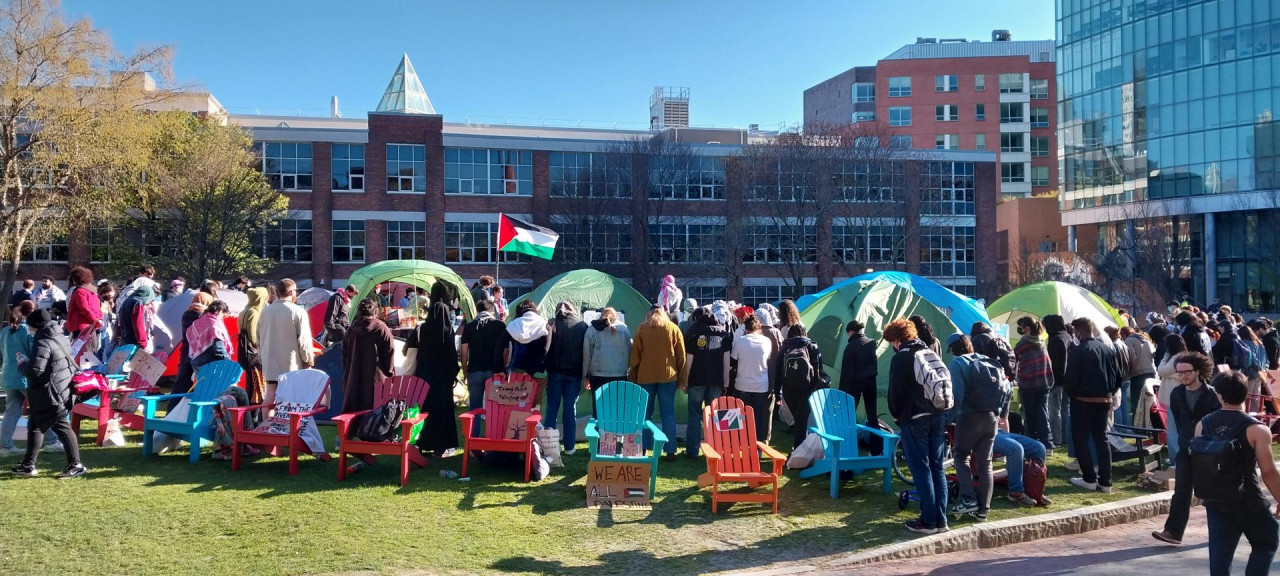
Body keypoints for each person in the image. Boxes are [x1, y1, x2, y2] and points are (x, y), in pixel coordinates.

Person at [1196, 370, 1280, 575]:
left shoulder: (1202, 425)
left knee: (1219, 555)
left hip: (1216, 499)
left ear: (1219, 395)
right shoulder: (1257, 429)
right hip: (1248, 499)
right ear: (1246, 394)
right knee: (1266, 542)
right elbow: (1268, 471)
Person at [886, 317, 950, 535]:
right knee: (937, 468)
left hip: (914, 418)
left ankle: (928, 521)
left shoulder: (902, 358)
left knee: (921, 469)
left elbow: (895, 393)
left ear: (896, 339)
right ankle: (941, 520)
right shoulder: (928, 352)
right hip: (938, 414)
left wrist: (897, 415)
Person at [1152, 352, 1221, 546]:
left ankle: (1220, 532)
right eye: (1179, 373)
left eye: (1187, 372)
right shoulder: (1177, 393)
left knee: (1211, 493)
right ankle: (1172, 532)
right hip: (1185, 449)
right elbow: (1180, 421)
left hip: (1208, 451)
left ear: (1198, 371)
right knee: (1181, 491)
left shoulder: (1212, 394)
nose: (1183, 376)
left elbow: (1217, 423)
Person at [9, 310, 85, 478]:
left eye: (29, 325)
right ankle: (28, 465)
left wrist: (22, 363)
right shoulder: (59, 336)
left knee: (61, 426)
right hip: (58, 388)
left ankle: (76, 464)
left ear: (35, 325)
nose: (28, 328)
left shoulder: (42, 341)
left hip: (49, 392)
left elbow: (35, 371)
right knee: (35, 425)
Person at [1064, 317, 1123, 493]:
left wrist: (1073, 394)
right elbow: (1118, 376)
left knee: (1081, 439)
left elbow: (1071, 380)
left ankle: (1089, 478)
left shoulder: (1077, 351)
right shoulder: (1108, 349)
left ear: (1079, 332)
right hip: (1104, 400)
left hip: (1083, 400)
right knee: (1101, 439)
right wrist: (1109, 392)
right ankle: (1106, 481)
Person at [946, 334, 1001, 522]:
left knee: (961, 457)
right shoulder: (986, 360)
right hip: (992, 416)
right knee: (985, 462)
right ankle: (983, 509)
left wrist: (946, 418)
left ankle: (969, 500)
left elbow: (957, 396)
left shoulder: (957, 364)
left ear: (952, 349)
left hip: (969, 416)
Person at [407, 283, 460, 458]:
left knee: (423, 409)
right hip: (442, 378)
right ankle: (441, 445)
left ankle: (421, 443)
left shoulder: (421, 329)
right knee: (442, 411)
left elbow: (408, 348)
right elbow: (452, 355)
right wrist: (453, 374)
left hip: (424, 375)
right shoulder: (447, 330)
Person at [629, 305, 685, 461]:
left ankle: (644, 448)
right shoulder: (673, 328)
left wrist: (633, 376)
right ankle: (670, 450)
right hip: (668, 377)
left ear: (649, 314)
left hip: (645, 377)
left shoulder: (642, 329)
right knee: (668, 413)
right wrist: (682, 379)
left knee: (645, 414)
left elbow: (635, 357)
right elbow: (681, 357)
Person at [0, 301, 54, 455]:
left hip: (8, 376)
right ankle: (52, 441)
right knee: (42, 408)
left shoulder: (5, 331)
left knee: (11, 411)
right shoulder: (28, 331)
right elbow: (35, 353)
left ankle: (5, 445)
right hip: (25, 377)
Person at [682, 306, 731, 456]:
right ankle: (714, 449)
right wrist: (726, 382)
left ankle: (692, 450)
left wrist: (684, 380)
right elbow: (726, 360)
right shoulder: (723, 332)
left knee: (694, 415)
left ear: (696, 318)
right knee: (715, 416)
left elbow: (689, 359)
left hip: (696, 379)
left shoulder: (693, 332)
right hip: (716, 380)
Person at [340, 298, 393, 435]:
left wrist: (348, 371)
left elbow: (344, 354)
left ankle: (349, 435)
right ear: (375, 311)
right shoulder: (381, 328)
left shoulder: (351, 329)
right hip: (375, 377)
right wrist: (389, 373)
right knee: (373, 409)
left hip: (353, 376)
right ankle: (373, 433)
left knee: (353, 407)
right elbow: (389, 354)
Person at [257, 279, 315, 405]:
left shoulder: (265, 311)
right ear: (291, 292)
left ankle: (267, 424)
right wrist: (308, 361)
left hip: (269, 360)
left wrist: (261, 358)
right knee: (291, 398)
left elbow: (259, 338)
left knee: (270, 394)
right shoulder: (298, 312)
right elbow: (304, 341)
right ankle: (289, 424)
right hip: (290, 363)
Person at [459, 300, 510, 436]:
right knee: (494, 408)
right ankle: (493, 440)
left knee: (474, 408)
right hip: (494, 371)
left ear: (477, 311)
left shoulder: (469, 327)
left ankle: (473, 442)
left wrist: (464, 373)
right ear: (492, 311)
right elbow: (506, 351)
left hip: (474, 370)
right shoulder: (499, 326)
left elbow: (464, 354)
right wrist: (504, 369)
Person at [545, 301, 588, 453]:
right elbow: (586, 351)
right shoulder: (582, 326)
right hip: (574, 374)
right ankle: (569, 447)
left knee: (552, 409)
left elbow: (546, 349)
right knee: (570, 409)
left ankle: (548, 445)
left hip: (555, 372)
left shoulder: (552, 324)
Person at [776, 325, 826, 449]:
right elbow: (819, 370)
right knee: (802, 421)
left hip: (789, 390)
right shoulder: (812, 346)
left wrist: (777, 392)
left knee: (799, 421)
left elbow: (777, 372)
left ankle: (799, 450)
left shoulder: (785, 347)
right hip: (807, 389)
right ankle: (800, 451)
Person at [582, 307, 631, 418]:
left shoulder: (592, 329)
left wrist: (585, 376)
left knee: (598, 410)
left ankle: (599, 434)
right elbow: (629, 351)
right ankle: (616, 434)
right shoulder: (624, 329)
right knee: (617, 410)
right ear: (616, 316)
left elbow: (586, 354)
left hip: (597, 375)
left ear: (601, 316)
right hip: (620, 374)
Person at [732, 315, 774, 442]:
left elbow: (734, 360)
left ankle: (742, 441)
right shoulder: (767, 341)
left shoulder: (740, 341)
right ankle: (758, 443)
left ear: (746, 327)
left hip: (742, 384)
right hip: (761, 384)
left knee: (741, 415)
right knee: (759, 416)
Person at [170, 292, 213, 411]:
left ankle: (172, 410)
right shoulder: (202, 315)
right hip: (198, 353)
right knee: (199, 384)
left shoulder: (186, 313)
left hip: (185, 351)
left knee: (181, 383)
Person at [1014, 317, 1053, 448]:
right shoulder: (1042, 341)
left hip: (1029, 383)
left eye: (1022, 327)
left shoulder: (1023, 344)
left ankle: (1031, 442)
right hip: (1045, 381)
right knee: (1043, 412)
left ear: (1027, 328)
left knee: (1029, 415)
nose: (1021, 330)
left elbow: (1014, 359)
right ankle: (1047, 442)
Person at [993, 426, 1052, 506]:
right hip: (982, 434)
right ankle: (1016, 492)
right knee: (1015, 449)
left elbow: (1003, 420)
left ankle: (1034, 491)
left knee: (1039, 447)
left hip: (999, 432)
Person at [839, 319, 879, 425]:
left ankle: (847, 437)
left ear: (851, 331)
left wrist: (842, 392)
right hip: (871, 381)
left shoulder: (850, 347)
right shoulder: (871, 343)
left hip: (855, 383)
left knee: (849, 413)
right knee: (872, 413)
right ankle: (876, 439)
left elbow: (846, 373)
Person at [1156, 333, 1189, 457]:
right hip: (1178, 394)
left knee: (1173, 429)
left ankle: (1175, 457)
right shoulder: (1184, 355)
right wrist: (1175, 374)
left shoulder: (1175, 357)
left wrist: (1165, 356)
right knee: (1178, 427)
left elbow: (1161, 370)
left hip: (1174, 396)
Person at [1044, 314, 1073, 455]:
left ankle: (1057, 438)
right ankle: (1066, 437)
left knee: (1055, 410)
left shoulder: (1055, 340)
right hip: (1068, 379)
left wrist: (1051, 380)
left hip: (1057, 380)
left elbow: (1053, 364)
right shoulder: (1068, 337)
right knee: (1065, 409)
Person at [238, 287, 269, 404]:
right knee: (257, 386)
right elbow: (252, 335)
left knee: (250, 384)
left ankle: (250, 414)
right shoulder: (254, 313)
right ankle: (253, 415)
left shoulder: (244, 311)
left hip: (244, 352)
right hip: (254, 355)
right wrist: (261, 346)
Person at [64, 266, 102, 358]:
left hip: (81, 326)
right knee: (92, 350)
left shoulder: (80, 291)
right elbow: (98, 307)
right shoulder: (93, 291)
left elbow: (84, 308)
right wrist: (99, 320)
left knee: (82, 353)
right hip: (93, 325)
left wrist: (95, 321)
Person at [1122, 327, 1157, 426]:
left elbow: (1131, 357)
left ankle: (1137, 424)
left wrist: (1127, 371)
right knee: (1149, 401)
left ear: (1124, 334)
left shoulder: (1129, 341)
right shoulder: (1145, 339)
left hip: (1138, 374)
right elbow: (1153, 354)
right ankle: (1150, 424)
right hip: (1151, 372)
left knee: (1137, 401)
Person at [507, 299, 549, 375]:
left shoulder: (513, 325)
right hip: (536, 371)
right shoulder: (544, 324)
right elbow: (545, 349)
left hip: (515, 370)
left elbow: (503, 348)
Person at [187, 300, 233, 369]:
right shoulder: (214, 324)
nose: (222, 319)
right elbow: (218, 347)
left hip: (195, 361)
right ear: (220, 311)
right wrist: (228, 362)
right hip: (210, 364)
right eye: (223, 316)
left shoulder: (197, 322)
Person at [1104, 326, 1134, 427]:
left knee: (1116, 404)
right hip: (1126, 376)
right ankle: (1125, 425)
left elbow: (1114, 364)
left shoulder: (1114, 346)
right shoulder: (1123, 344)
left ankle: (1119, 426)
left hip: (1119, 378)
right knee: (1123, 403)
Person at [116, 284, 158, 354]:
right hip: (134, 342)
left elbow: (121, 322)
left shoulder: (127, 301)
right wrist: (143, 343)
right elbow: (138, 325)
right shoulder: (138, 303)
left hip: (125, 339)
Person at [1238, 325, 1268, 399]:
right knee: (1256, 396)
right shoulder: (1260, 343)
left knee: (1248, 396)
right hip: (1261, 373)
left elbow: (1253, 359)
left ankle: (1249, 411)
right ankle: (1256, 410)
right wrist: (1263, 370)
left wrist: (1258, 368)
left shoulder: (1246, 343)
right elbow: (1266, 359)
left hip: (1252, 372)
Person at [97, 281, 117, 361]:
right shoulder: (101, 303)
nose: (107, 295)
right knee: (101, 349)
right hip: (101, 329)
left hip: (105, 329)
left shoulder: (107, 303)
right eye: (105, 292)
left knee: (104, 349)